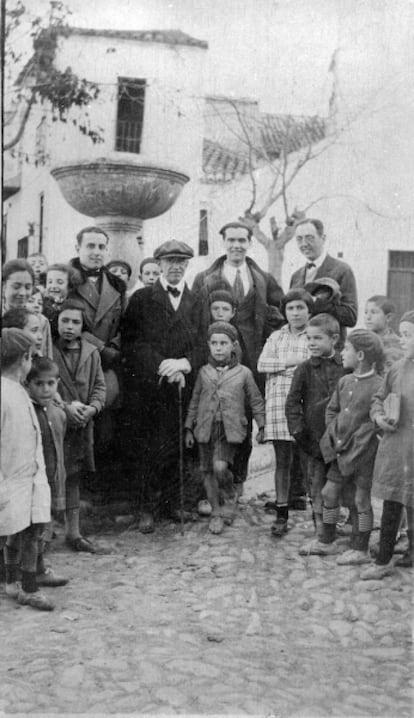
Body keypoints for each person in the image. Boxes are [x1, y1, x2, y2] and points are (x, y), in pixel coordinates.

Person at [192, 221, 284, 492]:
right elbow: (197, 322)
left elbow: (277, 314)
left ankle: (238, 478)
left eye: (242, 240)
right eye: (231, 240)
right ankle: (211, 484)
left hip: (250, 360)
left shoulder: (262, 279)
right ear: (223, 242)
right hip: (215, 358)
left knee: (242, 417)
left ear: (249, 243)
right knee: (213, 415)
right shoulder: (205, 278)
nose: (236, 245)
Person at [121, 240, 202, 533]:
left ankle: (173, 503)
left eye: (181, 261)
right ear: (160, 264)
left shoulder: (198, 301)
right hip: (149, 387)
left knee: (178, 443)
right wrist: (163, 366)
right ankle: (147, 507)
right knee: (149, 446)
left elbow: (204, 343)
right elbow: (132, 341)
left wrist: (184, 364)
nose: (176, 266)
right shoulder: (143, 298)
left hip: (184, 385)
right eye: (170, 261)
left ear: (187, 265)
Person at [185, 321, 265, 534]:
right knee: (208, 471)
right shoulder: (203, 372)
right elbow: (194, 400)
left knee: (220, 467)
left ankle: (229, 494)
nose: (218, 347)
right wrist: (188, 428)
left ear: (234, 345)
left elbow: (256, 400)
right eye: (214, 343)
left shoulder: (244, 373)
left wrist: (262, 425)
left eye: (223, 343)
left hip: (229, 430)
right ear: (208, 345)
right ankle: (216, 513)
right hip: (204, 428)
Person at [312, 329, 385, 562]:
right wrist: (334, 432)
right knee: (328, 493)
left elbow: (375, 422)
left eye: (347, 349)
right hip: (341, 452)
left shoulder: (379, 385)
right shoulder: (344, 381)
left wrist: (360, 440)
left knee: (360, 500)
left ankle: (360, 548)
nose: (342, 353)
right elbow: (332, 409)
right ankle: (327, 541)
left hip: (364, 455)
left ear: (361, 355)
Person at [1, 328, 53, 611]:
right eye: (31, 358)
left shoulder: (18, 390)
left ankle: (12, 581)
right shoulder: (4, 393)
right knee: (26, 533)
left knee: (23, 530)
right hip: (12, 478)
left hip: (29, 476)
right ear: (23, 358)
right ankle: (28, 587)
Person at [360, 310, 414, 579]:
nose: (403, 340)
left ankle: (412, 553)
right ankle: (383, 560)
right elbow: (379, 398)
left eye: (408, 335)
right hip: (397, 447)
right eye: (402, 334)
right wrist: (379, 417)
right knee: (393, 501)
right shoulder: (397, 368)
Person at [257, 288, 312, 537]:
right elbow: (262, 364)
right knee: (283, 462)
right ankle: (281, 512)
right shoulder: (276, 337)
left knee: (310, 462)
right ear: (285, 312)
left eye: (300, 307)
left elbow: (313, 365)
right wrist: (288, 363)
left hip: (304, 406)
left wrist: (285, 369)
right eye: (291, 308)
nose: (296, 312)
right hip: (278, 405)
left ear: (309, 311)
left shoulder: (313, 335)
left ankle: (321, 516)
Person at [53, 300, 106, 553]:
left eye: (75, 322)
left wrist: (92, 408)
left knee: (73, 476)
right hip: (54, 424)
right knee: (52, 473)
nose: (69, 327)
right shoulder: (48, 351)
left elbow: (99, 387)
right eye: (65, 321)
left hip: (82, 425)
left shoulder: (91, 353)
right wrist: (65, 407)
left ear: (83, 325)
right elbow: (41, 387)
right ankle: (43, 534)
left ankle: (73, 533)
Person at [285, 313, 344, 541]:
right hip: (313, 440)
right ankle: (322, 526)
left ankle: (341, 523)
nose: (311, 343)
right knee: (316, 484)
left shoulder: (345, 367)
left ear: (334, 339)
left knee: (339, 485)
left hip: (342, 438)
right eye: (308, 339)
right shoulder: (304, 369)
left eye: (318, 338)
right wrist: (299, 432)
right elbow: (292, 403)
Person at [26, 357, 68, 587]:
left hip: (52, 478)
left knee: (46, 525)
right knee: (31, 528)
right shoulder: (28, 412)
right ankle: (26, 571)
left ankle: (40, 566)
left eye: (51, 383)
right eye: (39, 384)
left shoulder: (56, 412)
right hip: (32, 480)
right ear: (28, 384)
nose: (45, 389)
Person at [290, 219, 358, 350]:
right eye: (299, 239)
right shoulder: (296, 276)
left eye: (309, 238)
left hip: (329, 353)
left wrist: (317, 304)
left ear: (323, 238)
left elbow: (351, 316)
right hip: (299, 351)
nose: (304, 244)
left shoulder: (342, 270)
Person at [364, 295, 403, 370]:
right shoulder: (361, 341)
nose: (368, 317)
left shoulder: (399, 344)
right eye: (366, 312)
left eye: (374, 312)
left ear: (388, 317)